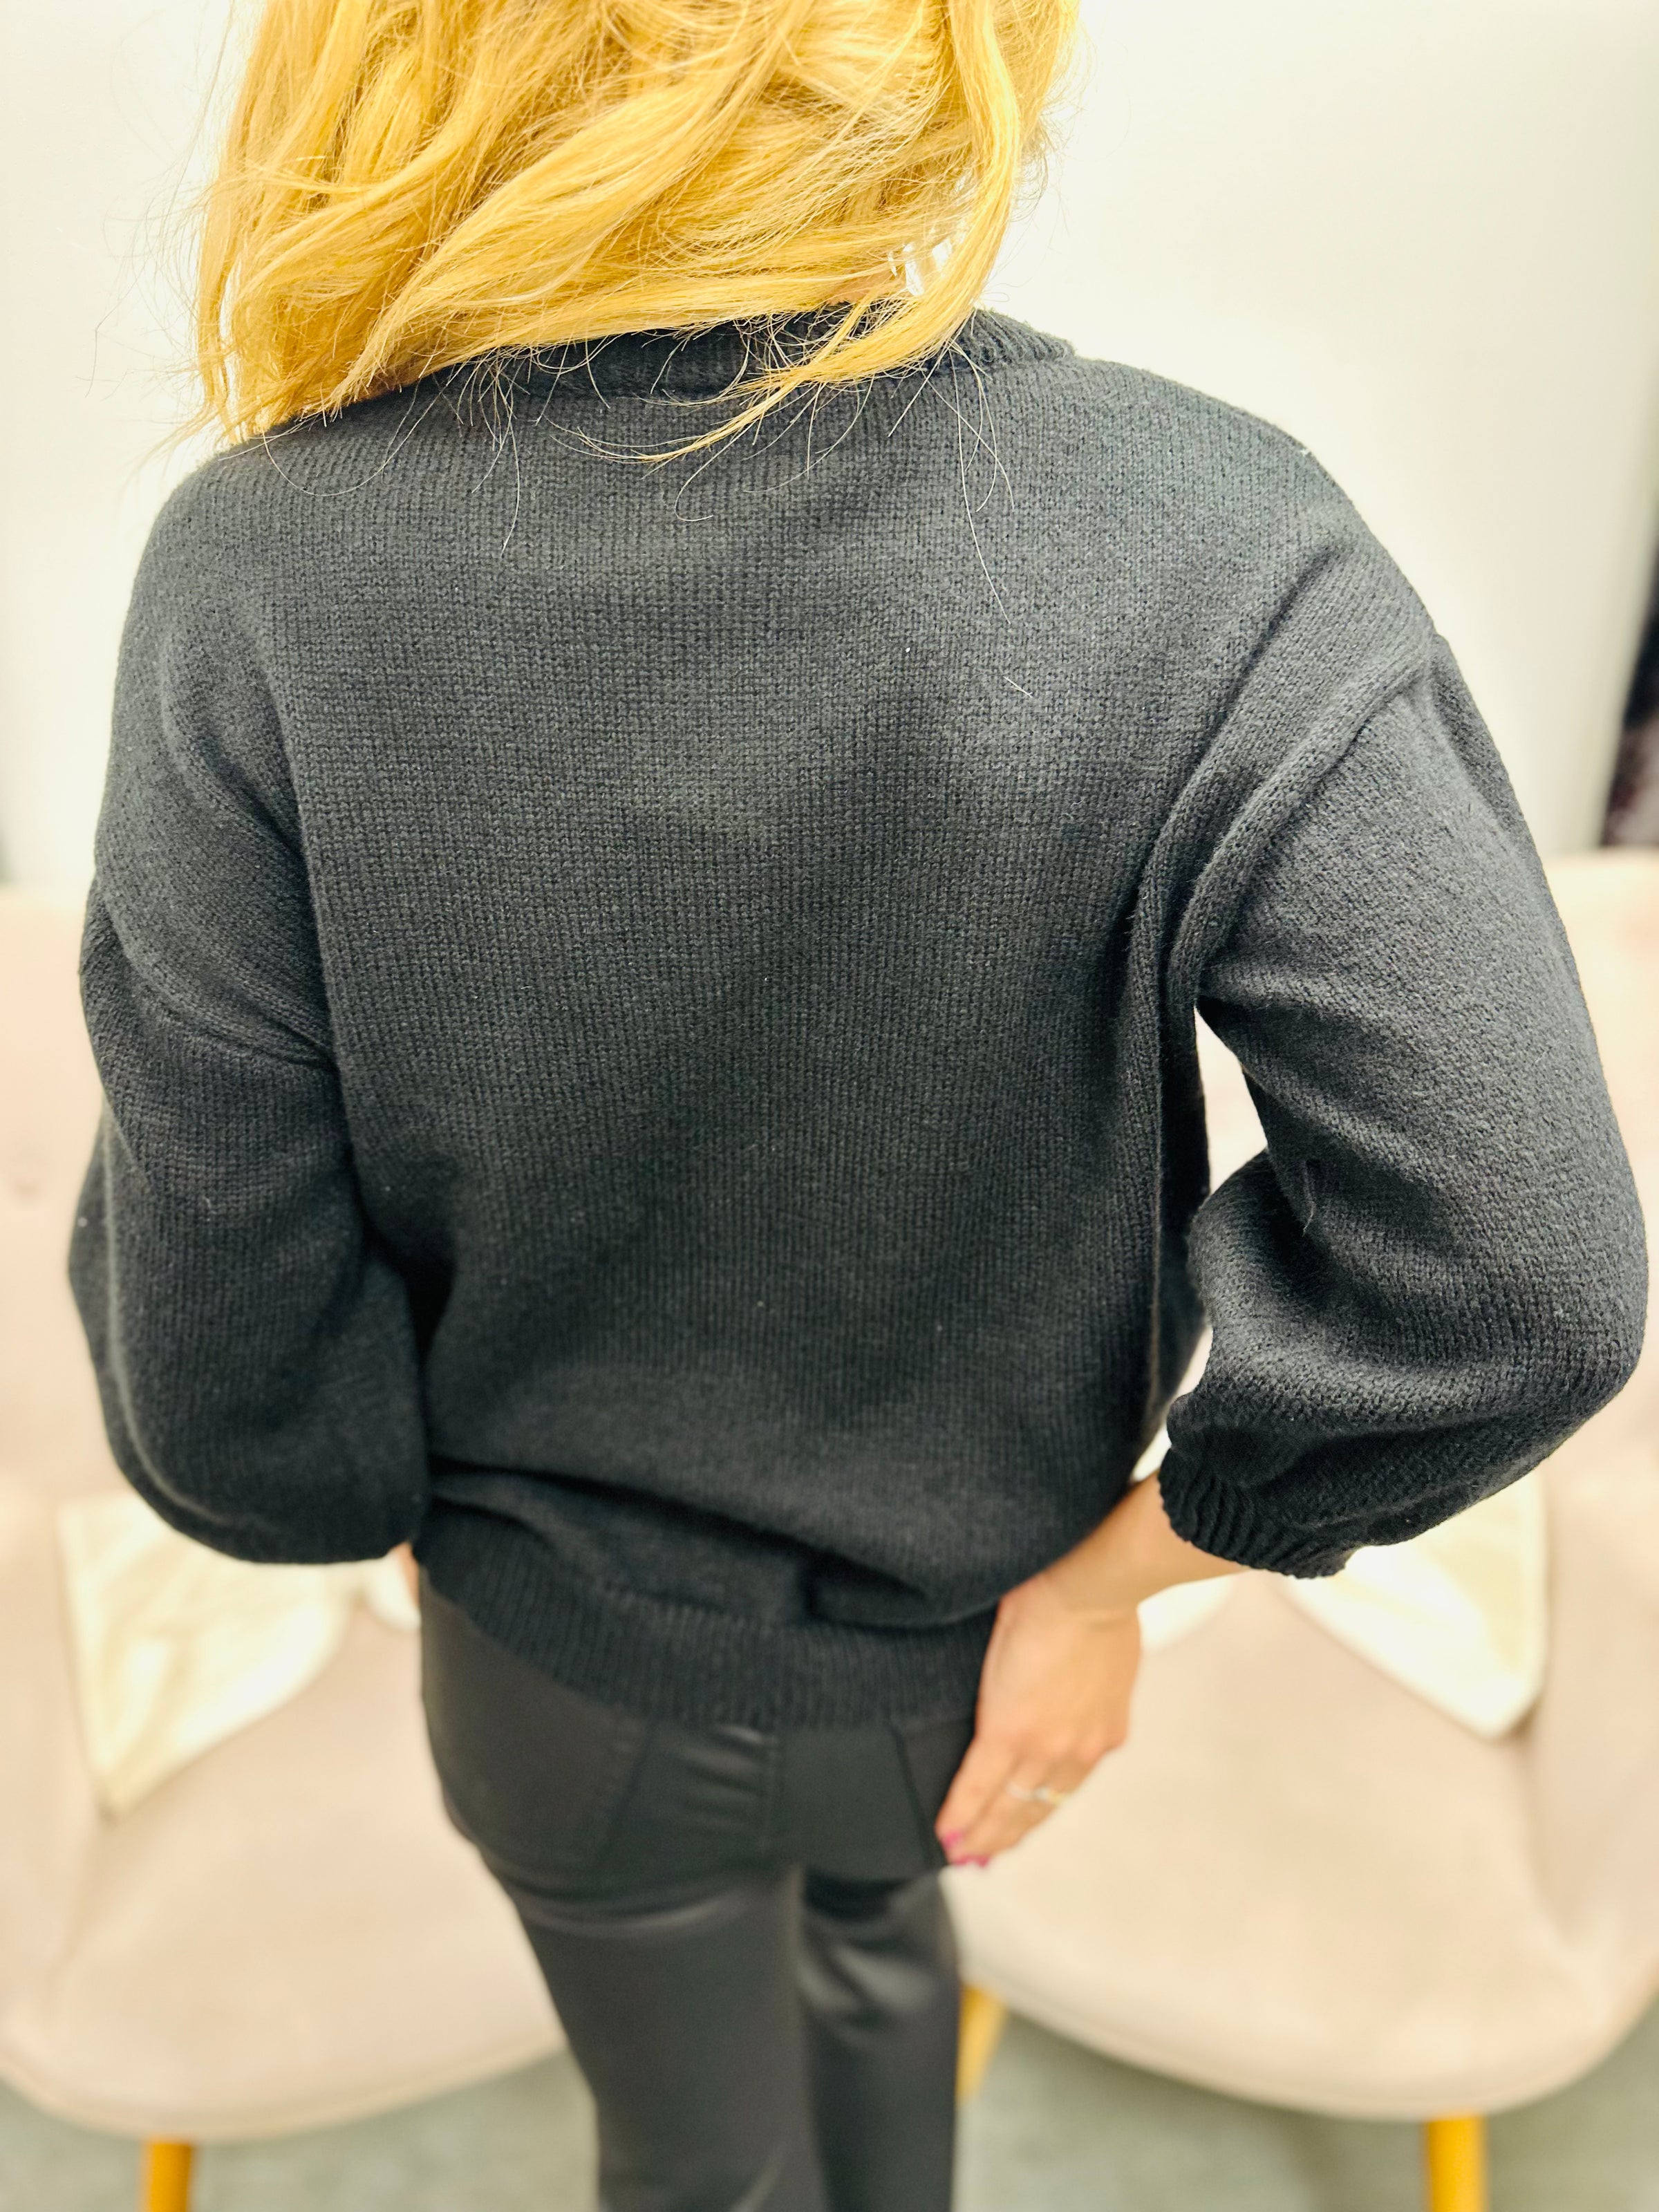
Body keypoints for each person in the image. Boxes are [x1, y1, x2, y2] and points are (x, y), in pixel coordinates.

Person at [65, 0, 1647, 2204]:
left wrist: (354, 1492)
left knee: (694, 2161)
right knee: (886, 1987)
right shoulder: (1210, 538)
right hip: (970, 1659)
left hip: (554, 1669)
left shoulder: (259, 574)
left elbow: (228, 1329)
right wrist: (1119, 1583)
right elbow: (1516, 1274)